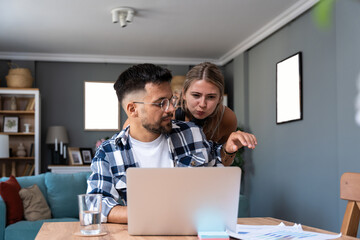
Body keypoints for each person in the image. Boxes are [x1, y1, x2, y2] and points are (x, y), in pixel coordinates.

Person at [87, 63, 257, 224]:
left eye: (170, 101)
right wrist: (154, 213)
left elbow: (216, 162)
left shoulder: (191, 132)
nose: (171, 109)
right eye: (161, 103)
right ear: (133, 109)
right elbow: (96, 205)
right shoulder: (109, 152)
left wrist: (228, 148)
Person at [176, 62, 257, 163]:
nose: (202, 104)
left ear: (219, 98)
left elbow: (223, 164)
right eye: (196, 95)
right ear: (184, 94)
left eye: (211, 97)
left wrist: (228, 149)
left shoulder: (227, 118)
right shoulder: (168, 114)